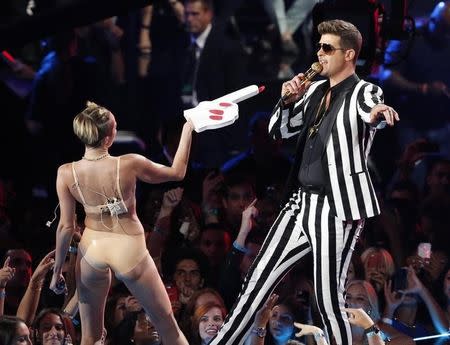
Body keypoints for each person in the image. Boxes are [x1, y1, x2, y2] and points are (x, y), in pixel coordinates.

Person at [209, 19, 400, 345]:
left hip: (336, 207)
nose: (319, 54)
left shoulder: (364, 91)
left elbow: (370, 111)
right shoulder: (312, 91)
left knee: (328, 301)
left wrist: (380, 113)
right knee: (256, 281)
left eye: (327, 48)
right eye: (319, 47)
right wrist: (285, 101)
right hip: (300, 201)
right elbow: (277, 132)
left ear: (349, 54)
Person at [48, 101, 195, 345]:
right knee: (167, 326)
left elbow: (65, 227)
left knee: (90, 337)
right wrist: (189, 128)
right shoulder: (129, 163)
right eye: (115, 128)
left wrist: (56, 272)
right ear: (108, 137)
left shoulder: (65, 172)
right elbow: (177, 172)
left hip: (91, 249)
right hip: (127, 246)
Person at [378, 1, 450, 157]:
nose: (446, 36)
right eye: (443, 29)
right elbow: (386, 75)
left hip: (444, 126)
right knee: (414, 175)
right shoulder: (410, 35)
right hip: (412, 125)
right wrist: (422, 89)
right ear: (432, 21)